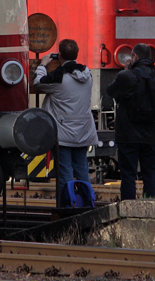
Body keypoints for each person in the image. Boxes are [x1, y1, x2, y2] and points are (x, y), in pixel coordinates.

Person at [32, 39, 98, 206]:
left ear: (59, 55)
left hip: (63, 135)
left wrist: (42, 65)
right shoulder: (87, 74)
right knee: (82, 170)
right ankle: (88, 203)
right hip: (83, 132)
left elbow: (38, 82)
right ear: (76, 54)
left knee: (65, 172)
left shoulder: (58, 79)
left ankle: (67, 206)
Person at [107, 42, 155, 200]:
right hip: (151, 135)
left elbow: (111, 91)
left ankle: (129, 208)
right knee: (151, 173)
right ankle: (151, 207)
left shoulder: (127, 76)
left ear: (134, 57)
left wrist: (126, 70)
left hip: (128, 136)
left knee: (128, 174)